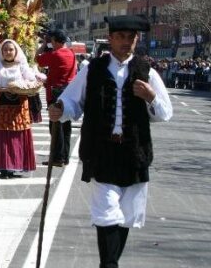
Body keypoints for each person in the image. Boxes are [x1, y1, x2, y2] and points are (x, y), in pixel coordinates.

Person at [49, 15, 172, 268]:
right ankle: (109, 265)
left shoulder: (147, 71)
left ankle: (110, 263)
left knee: (126, 216)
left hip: (134, 152)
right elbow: (74, 101)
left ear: (136, 40)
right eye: (121, 37)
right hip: (102, 151)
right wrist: (62, 109)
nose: (126, 42)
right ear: (111, 38)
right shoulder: (92, 69)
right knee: (106, 213)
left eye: (131, 38)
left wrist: (151, 98)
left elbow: (165, 114)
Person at [0, 39, 38, 178]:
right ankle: (4, 167)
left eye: (11, 49)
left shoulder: (22, 66)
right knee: (2, 135)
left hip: (19, 105)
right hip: (2, 105)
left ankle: (16, 165)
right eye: (5, 50)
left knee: (17, 134)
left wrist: (19, 88)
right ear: (1, 52)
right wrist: (4, 88)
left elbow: (31, 82)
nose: (8, 52)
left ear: (16, 51)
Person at [35, 29, 77, 167]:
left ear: (55, 41)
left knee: (55, 126)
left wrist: (43, 45)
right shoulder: (71, 53)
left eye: (51, 41)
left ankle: (57, 158)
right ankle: (65, 156)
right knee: (66, 126)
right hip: (69, 92)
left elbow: (38, 58)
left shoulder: (55, 54)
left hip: (56, 92)